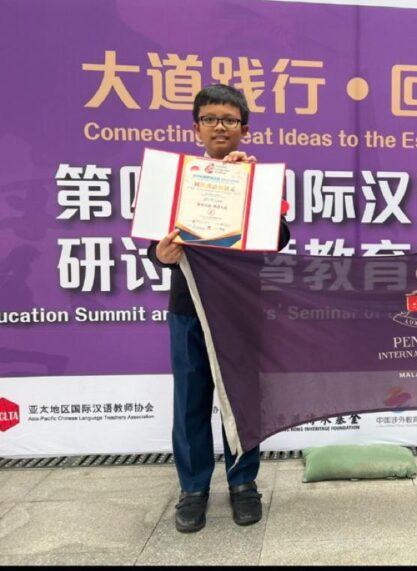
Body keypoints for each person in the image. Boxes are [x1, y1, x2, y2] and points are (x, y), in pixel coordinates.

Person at [148, 84, 291, 533]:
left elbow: (279, 238)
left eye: (229, 120)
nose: (220, 127)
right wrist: (160, 254)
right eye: (210, 119)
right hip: (188, 306)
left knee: (241, 399)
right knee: (190, 401)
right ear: (196, 128)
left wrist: (251, 188)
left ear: (244, 129)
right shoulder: (176, 181)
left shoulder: (257, 177)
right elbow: (155, 244)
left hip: (241, 308)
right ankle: (193, 490)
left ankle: (243, 484)